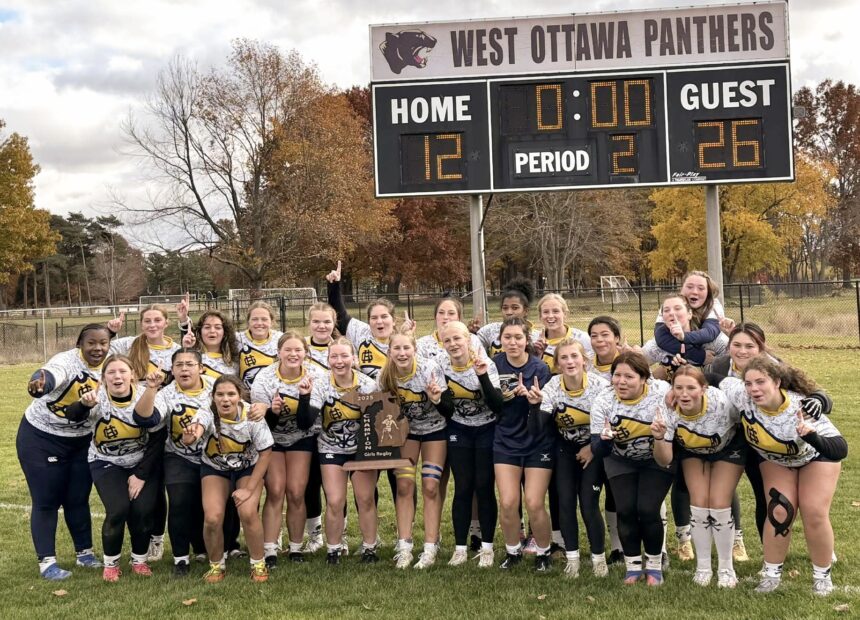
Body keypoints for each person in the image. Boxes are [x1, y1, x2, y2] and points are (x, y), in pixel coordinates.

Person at [716, 356, 847, 596]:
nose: (754, 388)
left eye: (761, 382)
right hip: (777, 459)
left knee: (814, 511)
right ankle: (771, 575)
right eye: (749, 383)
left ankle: (822, 576)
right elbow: (713, 378)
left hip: (815, 457)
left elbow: (840, 448)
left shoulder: (800, 408)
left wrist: (811, 436)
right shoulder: (742, 395)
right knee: (779, 512)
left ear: (777, 382)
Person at [708, 323, 831, 556]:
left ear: (761, 348)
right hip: (736, 437)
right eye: (736, 345)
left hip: (770, 441)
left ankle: (806, 545)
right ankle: (755, 547)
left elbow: (814, 391)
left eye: (749, 346)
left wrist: (819, 401)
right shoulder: (720, 365)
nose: (742, 351)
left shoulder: (773, 367)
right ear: (728, 345)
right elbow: (703, 379)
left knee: (776, 498)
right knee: (741, 493)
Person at [17, 324, 111, 579]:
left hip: (82, 441)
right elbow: (50, 374)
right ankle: (47, 562)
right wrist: (40, 384)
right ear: (79, 343)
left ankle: (85, 553)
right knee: (47, 499)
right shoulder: (66, 361)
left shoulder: (110, 363)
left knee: (77, 498)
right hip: (42, 437)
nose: (98, 348)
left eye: (103, 343)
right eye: (91, 343)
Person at [67, 355, 166, 582]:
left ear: (133, 375)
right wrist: (83, 405)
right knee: (118, 509)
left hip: (142, 461)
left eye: (122, 371)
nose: (117, 376)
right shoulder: (96, 397)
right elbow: (71, 415)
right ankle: (111, 563)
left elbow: (158, 439)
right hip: (106, 461)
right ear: (103, 378)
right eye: (111, 372)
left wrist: (141, 474)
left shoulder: (147, 397)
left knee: (142, 511)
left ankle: (139, 560)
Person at [651, 366, 744, 588]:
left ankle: (726, 568)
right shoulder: (668, 409)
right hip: (693, 450)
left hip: (728, 448)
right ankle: (703, 568)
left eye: (691, 388)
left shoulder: (722, 403)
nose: (684, 394)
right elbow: (664, 460)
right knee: (699, 505)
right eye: (679, 388)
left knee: (719, 503)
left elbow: (747, 417)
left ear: (704, 389)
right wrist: (659, 438)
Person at [529, 339, 610, 578]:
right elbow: (537, 429)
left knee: (588, 503)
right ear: (557, 364)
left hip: (594, 448)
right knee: (565, 502)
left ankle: (598, 559)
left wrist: (592, 448)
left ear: (584, 360)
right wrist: (534, 406)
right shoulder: (553, 386)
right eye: (563, 358)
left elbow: (611, 425)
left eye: (574, 356)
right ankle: (572, 559)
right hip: (565, 449)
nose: (570, 361)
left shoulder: (600, 386)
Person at [108, 303, 183, 562]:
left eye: (157, 320)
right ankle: (143, 537)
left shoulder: (175, 349)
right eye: (147, 321)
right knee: (146, 482)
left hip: (163, 420)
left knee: (157, 483)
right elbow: (97, 349)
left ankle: (156, 539)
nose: (152, 325)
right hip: (132, 418)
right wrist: (111, 331)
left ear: (166, 322)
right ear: (141, 324)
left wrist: (186, 324)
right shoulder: (130, 344)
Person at [590, 351, 673, 586]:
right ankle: (633, 566)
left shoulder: (661, 394)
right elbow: (598, 450)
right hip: (620, 459)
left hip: (656, 457)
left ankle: (654, 565)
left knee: (647, 509)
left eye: (629, 377)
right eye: (617, 375)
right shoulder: (604, 400)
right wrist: (605, 440)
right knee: (625, 509)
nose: (621, 382)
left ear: (644, 378)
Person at [181, 374, 273, 583]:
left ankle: (258, 563)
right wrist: (190, 436)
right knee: (213, 517)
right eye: (220, 394)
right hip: (216, 468)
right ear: (213, 397)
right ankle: (216, 565)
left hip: (247, 468)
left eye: (231, 394)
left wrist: (248, 489)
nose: (225, 399)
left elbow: (266, 453)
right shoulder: (206, 412)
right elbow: (196, 430)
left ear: (239, 396)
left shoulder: (252, 415)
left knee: (248, 511)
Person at [296, 337, 381, 565]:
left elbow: (378, 423)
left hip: (361, 449)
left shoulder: (367, 385)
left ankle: (369, 547)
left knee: (365, 498)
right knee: (335, 500)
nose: (339, 361)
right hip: (331, 446)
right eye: (334, 356)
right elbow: (305, 422)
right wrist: (305, 397)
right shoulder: (321, 383)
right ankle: (333, 549)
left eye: (344, 356)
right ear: (328, 359)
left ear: (353, 358)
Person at [377, 330, 450, 569]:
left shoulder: (429, 369)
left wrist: (437, 398)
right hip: (406, 433)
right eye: (396, 348)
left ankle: (430, 546)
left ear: (415, 350)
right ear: (389, 352)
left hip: (434, 430)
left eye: (406, 348)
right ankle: (404, 546)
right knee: (404, 485)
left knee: (430, 485)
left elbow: (448, 408)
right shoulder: (384, 376)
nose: (402, 353)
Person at [250, 331, 321, 568]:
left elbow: (305, 423)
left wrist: (304, 396)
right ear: (278, 352)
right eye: (287, 350)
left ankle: (295, 547)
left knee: (296, 492)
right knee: (276, 490)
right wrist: (273, 412)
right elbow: (260, 424)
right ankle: (270, 548)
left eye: (298, 350)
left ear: (305, 353)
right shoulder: (264, 378)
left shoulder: (316, 375)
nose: (293, 354)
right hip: (272, 438)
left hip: (302, 436)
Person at [438, 321, 504, 568]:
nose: (453, 344)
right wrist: (437, 400)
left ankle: (487, 548)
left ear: (468, 339)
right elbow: (447, 409)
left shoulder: (485, 362)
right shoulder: (440, 365)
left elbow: (498, 405)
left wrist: (482, 375)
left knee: (484, 486)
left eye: (457, 338)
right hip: (459, 429)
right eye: (447, 340)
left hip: (487, 428)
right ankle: (460, 549)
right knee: (463, 487)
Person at [491, 318, 553, 571]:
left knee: (534, 502)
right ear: (501, 340)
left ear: (527, 340)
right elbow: (490, 401)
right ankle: (513, 551)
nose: (513, 342)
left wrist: (533, 401)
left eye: (518, 337)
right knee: (507, 502)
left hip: (538, 442)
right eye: (507, 337)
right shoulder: (494, 364)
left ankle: (543, 552)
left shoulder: (540, 368)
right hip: (506, 441)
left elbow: (547, 410)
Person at [149, 348, 214, 577]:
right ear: (172, 370)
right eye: (179, 365)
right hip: (178, 455)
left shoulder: (215, 387)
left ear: (201, 368)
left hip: (213, 457)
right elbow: (151, 418)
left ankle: (213, 548)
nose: (184, 369)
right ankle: (180, 558)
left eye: (190, 364)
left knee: (211, 505)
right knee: (179, 501)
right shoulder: (166, 394)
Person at [587, 315, 633, 564]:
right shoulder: (585, 365)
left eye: (605, 335)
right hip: (596, 440)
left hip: (628, 439)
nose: (600, 340)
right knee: (603, 492)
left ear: (617, 337)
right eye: (594, 336)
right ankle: (617, 548)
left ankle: (628, 546)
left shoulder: (630, 361)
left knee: (620, 495)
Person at [531, 293, 592, 373]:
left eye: (556, 311)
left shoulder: (583, 339)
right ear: (540, 316)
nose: (550, 316)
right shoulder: (533, 340)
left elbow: (590, 370)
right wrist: (537, 355)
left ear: (565, 314)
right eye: (546, 312)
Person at [474, 278, 535, 357]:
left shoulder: (536, 336)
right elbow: (471, 347)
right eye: (505, 308)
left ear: (526, 311)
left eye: (515, 308)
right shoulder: (490, 330)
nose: (509, 312)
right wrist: (471, 333)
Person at [417, 296, 485, 362]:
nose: (445, 317)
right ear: (435, 317)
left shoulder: (472, 340)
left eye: (451, 313)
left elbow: (487, 367)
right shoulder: (421, 344)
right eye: (441, 313)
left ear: (458, 318)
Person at [237, 301, 283, 388]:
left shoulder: (281, 339)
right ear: (248, 322)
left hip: (275, 393)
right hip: (246, 394)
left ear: (272, 321)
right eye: (254, 319)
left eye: (264, 319)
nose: (259, 323)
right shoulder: (237, 340)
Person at [183, 310, 240, 378]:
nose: (212, 331)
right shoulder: (193, 357)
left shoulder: (235, 361)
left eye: (218, 327)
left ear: (224, 333)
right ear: (200, 332)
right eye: (207, 327)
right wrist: (187, 350)